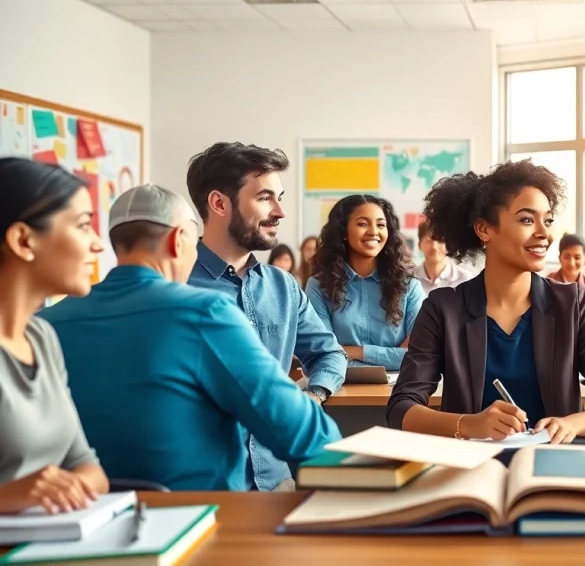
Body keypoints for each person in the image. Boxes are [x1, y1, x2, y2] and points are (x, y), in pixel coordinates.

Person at [40, 185, 340, 491]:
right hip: (201, 518)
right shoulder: (206, 313)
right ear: (177, 239)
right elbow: (295, 427)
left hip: (84, 517)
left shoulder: (45, 323)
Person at [387, 160, 585, 444]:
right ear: (484, 230)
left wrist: (573, 424)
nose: (545, 233)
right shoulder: (443, 308)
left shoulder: (573, 303)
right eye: (527, 220)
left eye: (548, 220)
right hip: (473, 465)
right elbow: (401, 408)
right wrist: (470, 425)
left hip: (559, 464)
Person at [185, 142, 346, 492]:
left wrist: (313, 397)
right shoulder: (177, 285)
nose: (280, 212)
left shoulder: (282, 286)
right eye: (264, 198)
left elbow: (330, 354)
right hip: (206, 490)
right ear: (219, 203)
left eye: (280, 197)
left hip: (277, 483)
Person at [0, 158, 109, 514]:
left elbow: (86, 463)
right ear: (22, 240)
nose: (97, 245)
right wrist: (11, 496)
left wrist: (65, 488)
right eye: (83, 226)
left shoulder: (42, 337)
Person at [306, 196, 426, 371]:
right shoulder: (319, 286)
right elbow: (320, 356)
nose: (373, 231)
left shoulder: (409, 286)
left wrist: (355, 352)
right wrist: (392, 356)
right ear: (344, 232)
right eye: (363, 224)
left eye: (381, 224)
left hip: (397, 393)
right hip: (337, 391)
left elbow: (420, 356)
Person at [547, 234, 585, 303]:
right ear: (559, 258)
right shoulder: (548, 282)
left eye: (577, 257)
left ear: (584, 259)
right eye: (567, 257)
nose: (572, 263)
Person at [414, 221, 472, 293]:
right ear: (419, 245)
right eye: (429, 241)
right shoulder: (410, 279)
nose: (434, 247)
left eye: (440, 241)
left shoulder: (464, 280)